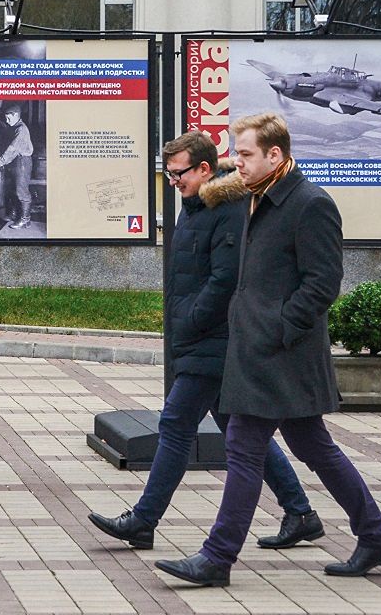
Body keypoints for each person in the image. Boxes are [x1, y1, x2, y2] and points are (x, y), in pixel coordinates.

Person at [156, 113, 381, 588]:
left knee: (244, 447)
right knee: (316, 448)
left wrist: (278, 328)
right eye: (235, 153)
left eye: (245, 155)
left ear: (275, 155)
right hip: (259, 348)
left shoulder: (309, 204)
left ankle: (217, 557)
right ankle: (376, 536)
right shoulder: (254, 196)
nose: (236, 164)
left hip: (282, 352)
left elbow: (322, 283)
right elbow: (219, 196)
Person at [89, 131, 322, 552]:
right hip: (200, 339)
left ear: (204, 168)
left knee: (176, 425)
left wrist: (192, 321)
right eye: (168, 173)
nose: (173, 181)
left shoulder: (226, 209)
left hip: (215, 339)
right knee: (238, 428)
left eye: (179, 173)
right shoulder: (195, 206)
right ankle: (300, 511)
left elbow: (225, 278)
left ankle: (144, 520)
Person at [0, 102, 35, 229]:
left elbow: (12, 149)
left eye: (9, 118)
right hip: (13, 161)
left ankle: (25, 220)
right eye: (6, 118)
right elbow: (1, 118)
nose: (6, 121)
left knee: (21, 191)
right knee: (10, 189)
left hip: (22, 162)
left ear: (15, 115)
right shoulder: (14, 124)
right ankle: (13, 214)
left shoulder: (21, 130)